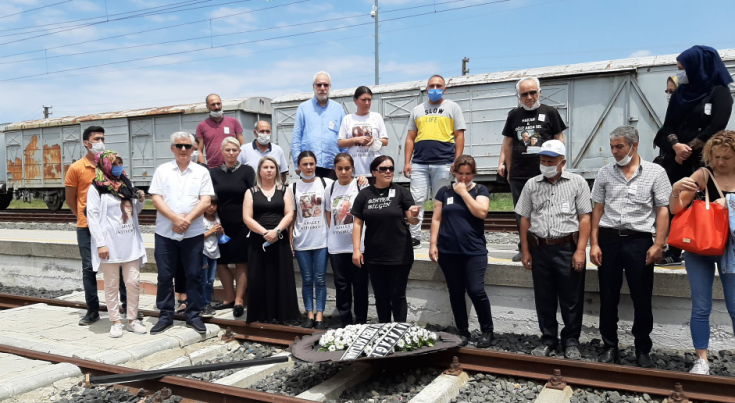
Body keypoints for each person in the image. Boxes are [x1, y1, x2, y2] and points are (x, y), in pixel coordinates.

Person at [590, 126, 672, 368]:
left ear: (634, 146)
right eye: (612, 146)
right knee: (608, 295)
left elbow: (663, 209)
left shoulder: (656, 173)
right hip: (609, 239)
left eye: (619, 147)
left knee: (641, 296)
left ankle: (642, 348)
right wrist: (593, 243)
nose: (614, 151)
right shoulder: (605, 173)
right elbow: (597, 210)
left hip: (639, 241)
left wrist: (659, 243)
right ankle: (609, 345)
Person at [654, 46, 734, 265]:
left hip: (703, 160)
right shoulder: (682, 92)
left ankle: (709, 241)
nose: (681, 74)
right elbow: (668, 124)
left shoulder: (720, 92)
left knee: (701, 202)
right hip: (676, 157)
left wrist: (688, 148)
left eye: (684, 69)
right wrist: (676, 146)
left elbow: (717, 126)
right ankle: (675, 247)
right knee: (675, 200)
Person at [514, 141, 592, 359]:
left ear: (562, 162)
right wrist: (526, 250)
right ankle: (548, 339)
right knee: (544, 297)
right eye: (542, 160)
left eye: (550, 161)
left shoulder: (577, 183)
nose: (545, 164)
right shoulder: (532, 184)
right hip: (540, 249)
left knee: (571, 298)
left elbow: (585, 217)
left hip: (567, 248)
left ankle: (571, 341)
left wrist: (580, 250)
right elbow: (525, 218)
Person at [668, 130, 735, 375]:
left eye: (726, 157)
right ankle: (702, 359)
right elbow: (676, 208)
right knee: (701, 305)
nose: (719, 162)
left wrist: (728, 203)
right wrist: (676, 188)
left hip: (732, 249)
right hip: (701, 246)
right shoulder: (704, 174)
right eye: (715, 156)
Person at [65, 126, 132, 326]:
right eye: (97, 138)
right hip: (86, 227)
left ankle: (128, 306)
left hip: (113, 226)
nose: (101, 142)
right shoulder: (76, 168)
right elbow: (70, 199)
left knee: (119, 265)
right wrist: (85, 219)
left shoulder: (112, 165)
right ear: (87, 143)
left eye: (103, 138)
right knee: (89, 268)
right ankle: (92, 309)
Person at [148, 132, 214, 335]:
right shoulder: (162, 170)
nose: (184, 150)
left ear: (194, 149)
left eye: (188, 146)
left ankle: (193, 315)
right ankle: (166, 315)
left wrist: (186, 220)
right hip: (165, 234)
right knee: (165, 276)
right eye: (179, 146)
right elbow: (156, 199)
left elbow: (205, 201)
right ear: (172, 148)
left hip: (193, 233)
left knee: (194, 275)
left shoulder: (201, 172)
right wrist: (176, 219)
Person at [499, 76, 567, 262]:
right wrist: (508, 168)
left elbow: (559, 139)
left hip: (546, 171)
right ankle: (524, 247)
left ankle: (547, 246)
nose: (529, 97)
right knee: (522, 213)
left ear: (539, 92)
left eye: (532, 92)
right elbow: (508, 143)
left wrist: (561, 164)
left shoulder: (550, 112)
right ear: (518, 96)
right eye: (524, 94)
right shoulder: (514, 115)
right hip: (520, 173)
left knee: (547, 209)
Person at [429, 155, 493, 348]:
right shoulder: (444, 191)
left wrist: (464, 193)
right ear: (454, 172)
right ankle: (462, 330)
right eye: (460, 173)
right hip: (448, 251)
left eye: (468, 174)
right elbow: (436, 219)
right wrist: (433, 244)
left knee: (476, 290)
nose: (463, 178)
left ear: (473, 173)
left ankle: (487, 330)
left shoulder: (480, 190)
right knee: (456, 291)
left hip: (474, 251)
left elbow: (481, 212)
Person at [352, 156, 421, 323]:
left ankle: (399, 331)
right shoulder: (364, 195)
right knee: (380, 296)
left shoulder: (401, 192)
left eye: (390, 168)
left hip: (399, 253)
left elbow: (412, 221)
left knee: (397, 295)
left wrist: (414, 215)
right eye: (383, 169)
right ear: (374, 172)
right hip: (374, 255)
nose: (388, 171)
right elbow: (357, 224)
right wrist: (356, 250)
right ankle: (383, 329)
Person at [86, 150, 148, 337]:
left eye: (120, 163)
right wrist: (100, 243)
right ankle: (115, 321)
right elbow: (93, 216)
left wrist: (141, 200)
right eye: (114, 163)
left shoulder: (126, 183)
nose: (117, 167)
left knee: (133, 282)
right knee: (111, 285)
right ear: (105, 165)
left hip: (130, 242)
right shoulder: (96, 187)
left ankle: (132, 319)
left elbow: (134, 210)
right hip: (110, 245)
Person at [404, 75, 466, 248]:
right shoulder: (417, 110)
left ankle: (441, 236)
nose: (435, 88)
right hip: (419, 163)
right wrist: (407, 162)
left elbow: (459, 135)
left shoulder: (453, 107)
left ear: (445, 89)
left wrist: (457, 160)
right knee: (416, 200)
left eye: (439, 86)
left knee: (442, 201)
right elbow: (410, 138)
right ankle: (415, 237)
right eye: (431, 86)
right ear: (426, 88)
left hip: (444, 162)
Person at [242, 156, 300, 324]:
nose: (269, 170)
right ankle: (261, 315)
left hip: (279, 240)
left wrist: (276, 231)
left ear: (276, 170)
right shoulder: (251, 192)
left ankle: (283, 315)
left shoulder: (284, 190)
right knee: (258, 278)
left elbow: (289, 213)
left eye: (272, 167)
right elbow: (247, 217)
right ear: (259, 170)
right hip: (258, 241)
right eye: (265, 167)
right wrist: (264, 233)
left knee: (281, 278)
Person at [209, 137, 256, 318]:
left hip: (242, 224)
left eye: (234, 150)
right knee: (221, 262)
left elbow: (253, 194)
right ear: (222, 151)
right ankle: (228, 297)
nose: (231, 153)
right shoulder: (213, 173)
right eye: (227, 150)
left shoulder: (247, 171)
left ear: (239, 152)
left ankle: (238, 300)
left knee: (241, 262)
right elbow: (210, 199)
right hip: (220, 225)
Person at [325, 153, 369, 327]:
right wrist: (335, 231)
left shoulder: (360, 186)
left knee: (359, 286)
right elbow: (328, 213)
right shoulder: (330, 188)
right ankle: (345, 322)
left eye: (347, 168)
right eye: (339, 168)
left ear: (353, 169)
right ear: (335, 169)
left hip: (358, 247)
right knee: (341, 286)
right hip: (337, 247)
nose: (343, 172)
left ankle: (360, 322)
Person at [290, 151, 333, 329]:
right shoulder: (292, 188)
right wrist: (290, 241)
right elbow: (291, 216)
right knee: (307, 279)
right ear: (298, 167)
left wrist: (361, 178)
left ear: (316, 165)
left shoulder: (327, 183)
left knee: (320, 279)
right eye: (305, 164)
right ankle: (309, 314)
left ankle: (320, 316)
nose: (308, 167)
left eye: (311, 164)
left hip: (322, 240)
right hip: (302, 241)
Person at [291, 71, 345, 179]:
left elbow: (344, 136)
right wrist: (297, 162)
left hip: (332, 165)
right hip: (309, 165)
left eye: (325, 85)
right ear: (313, 87)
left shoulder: (338, 109)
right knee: (309, 196)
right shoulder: (303, 108)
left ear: (330, 87)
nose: (322, 88)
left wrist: (344, 161)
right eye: (319, 85)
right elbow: (297, 137)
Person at [338, 86, 389, 179]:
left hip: (374, 168)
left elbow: (385, 141)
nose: (367, 103)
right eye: (363, 100)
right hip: (355, 169)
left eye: (369, 100)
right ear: (355, 101)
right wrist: (356, 139)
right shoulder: (348, 119)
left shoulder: (376, 117)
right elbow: (340, 142)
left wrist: (375, 140)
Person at [196, 93, 245, 169]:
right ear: (207, 107)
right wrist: (203, 167)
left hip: (234, 167)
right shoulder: (201, 125)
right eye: (213, 104)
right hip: (213, 168)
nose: (217, 107)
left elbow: (242, 145)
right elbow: (199, 150)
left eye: (218, 103)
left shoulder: (233, 122)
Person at [201, 196, 223, 318]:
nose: (211, 207)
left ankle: (207, 302)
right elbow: (198, 237)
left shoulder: (217, 218)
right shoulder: (200, 219)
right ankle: (203, 303)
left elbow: (219, 236)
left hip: (214, 252)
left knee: (210, 280)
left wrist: (220, 231)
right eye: (209, 205)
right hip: (203, 252)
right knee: (203, 280)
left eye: (214, 205)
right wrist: (211, 230)